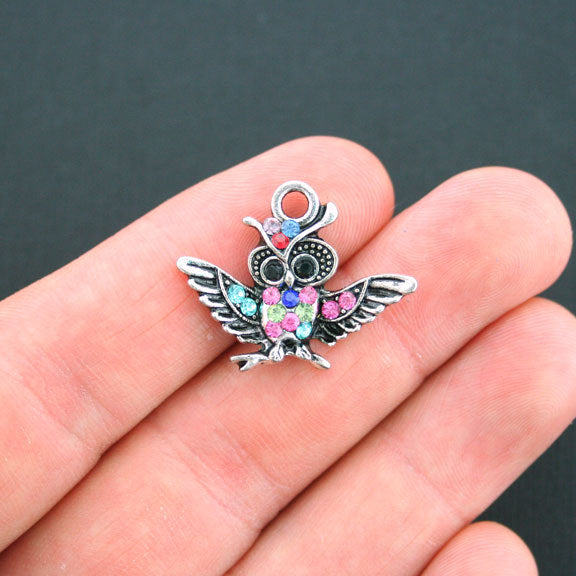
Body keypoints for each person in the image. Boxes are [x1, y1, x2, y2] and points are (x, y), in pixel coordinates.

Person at [0, 136, 573, 575]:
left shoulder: (325, 300)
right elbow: (225, 292)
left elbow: (353, 300)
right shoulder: (257, 296)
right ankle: (275, 351)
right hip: (276, 344)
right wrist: (250, 320)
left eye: (299, 266)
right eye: (275, 267)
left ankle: (282, 351)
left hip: (295, 343)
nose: (288, 277)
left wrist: (323, 319)